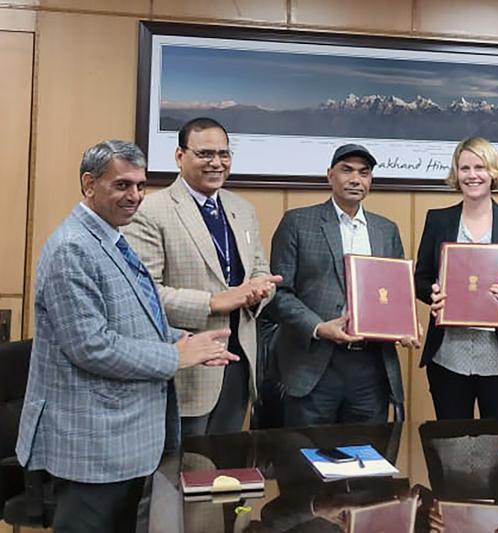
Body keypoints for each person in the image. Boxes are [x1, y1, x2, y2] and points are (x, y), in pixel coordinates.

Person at [15, 140, 238, 532]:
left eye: (140, 185)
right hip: (94, 446)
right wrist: (175, 357)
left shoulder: (113, 238)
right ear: (89, 184)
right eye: (121, 185)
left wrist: (184, 340)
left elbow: (133, 320)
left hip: (127, 441)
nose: (134, 196)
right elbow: (92, 346)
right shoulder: (73, 249)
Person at [125, 117, 281, 436]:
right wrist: (212, 303)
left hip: (239, 360)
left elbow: (260, 271)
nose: (217, 163)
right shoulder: (151, 211)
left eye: (224, 154)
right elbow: (144, 296)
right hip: (188, 367)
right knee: (182, 476)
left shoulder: (242, 209)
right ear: (180, 156)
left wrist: (258, 293)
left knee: (226, 473)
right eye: (205, 154)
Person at [266, 143, 417, 427]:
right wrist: (320, 327)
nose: (355, 179)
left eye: (364, 172)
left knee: (366, 462)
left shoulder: (386, 230)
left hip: (370, 368)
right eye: (346, 170)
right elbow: (278, 294)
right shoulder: (297, 222)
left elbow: (396, 294)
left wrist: (404, 326)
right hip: (314, 364)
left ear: (370, 180)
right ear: (329, 176)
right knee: (306, 462)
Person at [414, 137, 498, 424]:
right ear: (455, 174)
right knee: (449, 449)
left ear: (493, 172)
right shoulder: (437, 220)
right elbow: (420, 279)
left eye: (480, 167)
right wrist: (431, 293)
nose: (472, 175)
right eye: (464, 168)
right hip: (448, 357)